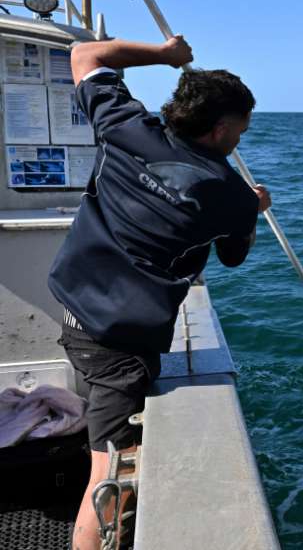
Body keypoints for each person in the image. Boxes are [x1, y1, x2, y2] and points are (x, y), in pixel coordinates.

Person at [47, 36, 270, 550]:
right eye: (240, 130)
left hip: (73, 306)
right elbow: (235, 256)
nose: (241, 138)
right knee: (110, 480)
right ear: (219, 130)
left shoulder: (127, 125)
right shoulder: (230, 196)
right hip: (118, 347)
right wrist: (252, 211)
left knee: (111, 460)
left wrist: (166, 54)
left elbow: (85, 56)